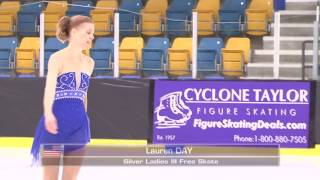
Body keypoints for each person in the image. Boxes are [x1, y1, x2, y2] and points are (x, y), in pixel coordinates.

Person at [31, 15, 95, 180]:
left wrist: (85, 119)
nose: (92, 37)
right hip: (55, 125)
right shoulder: (57, 58)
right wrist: (48, 114)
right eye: (88, 32)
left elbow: (84, 95)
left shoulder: (90, 63)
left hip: (78, 127)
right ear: (74, 32)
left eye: (92, 33)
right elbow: (49, 89)